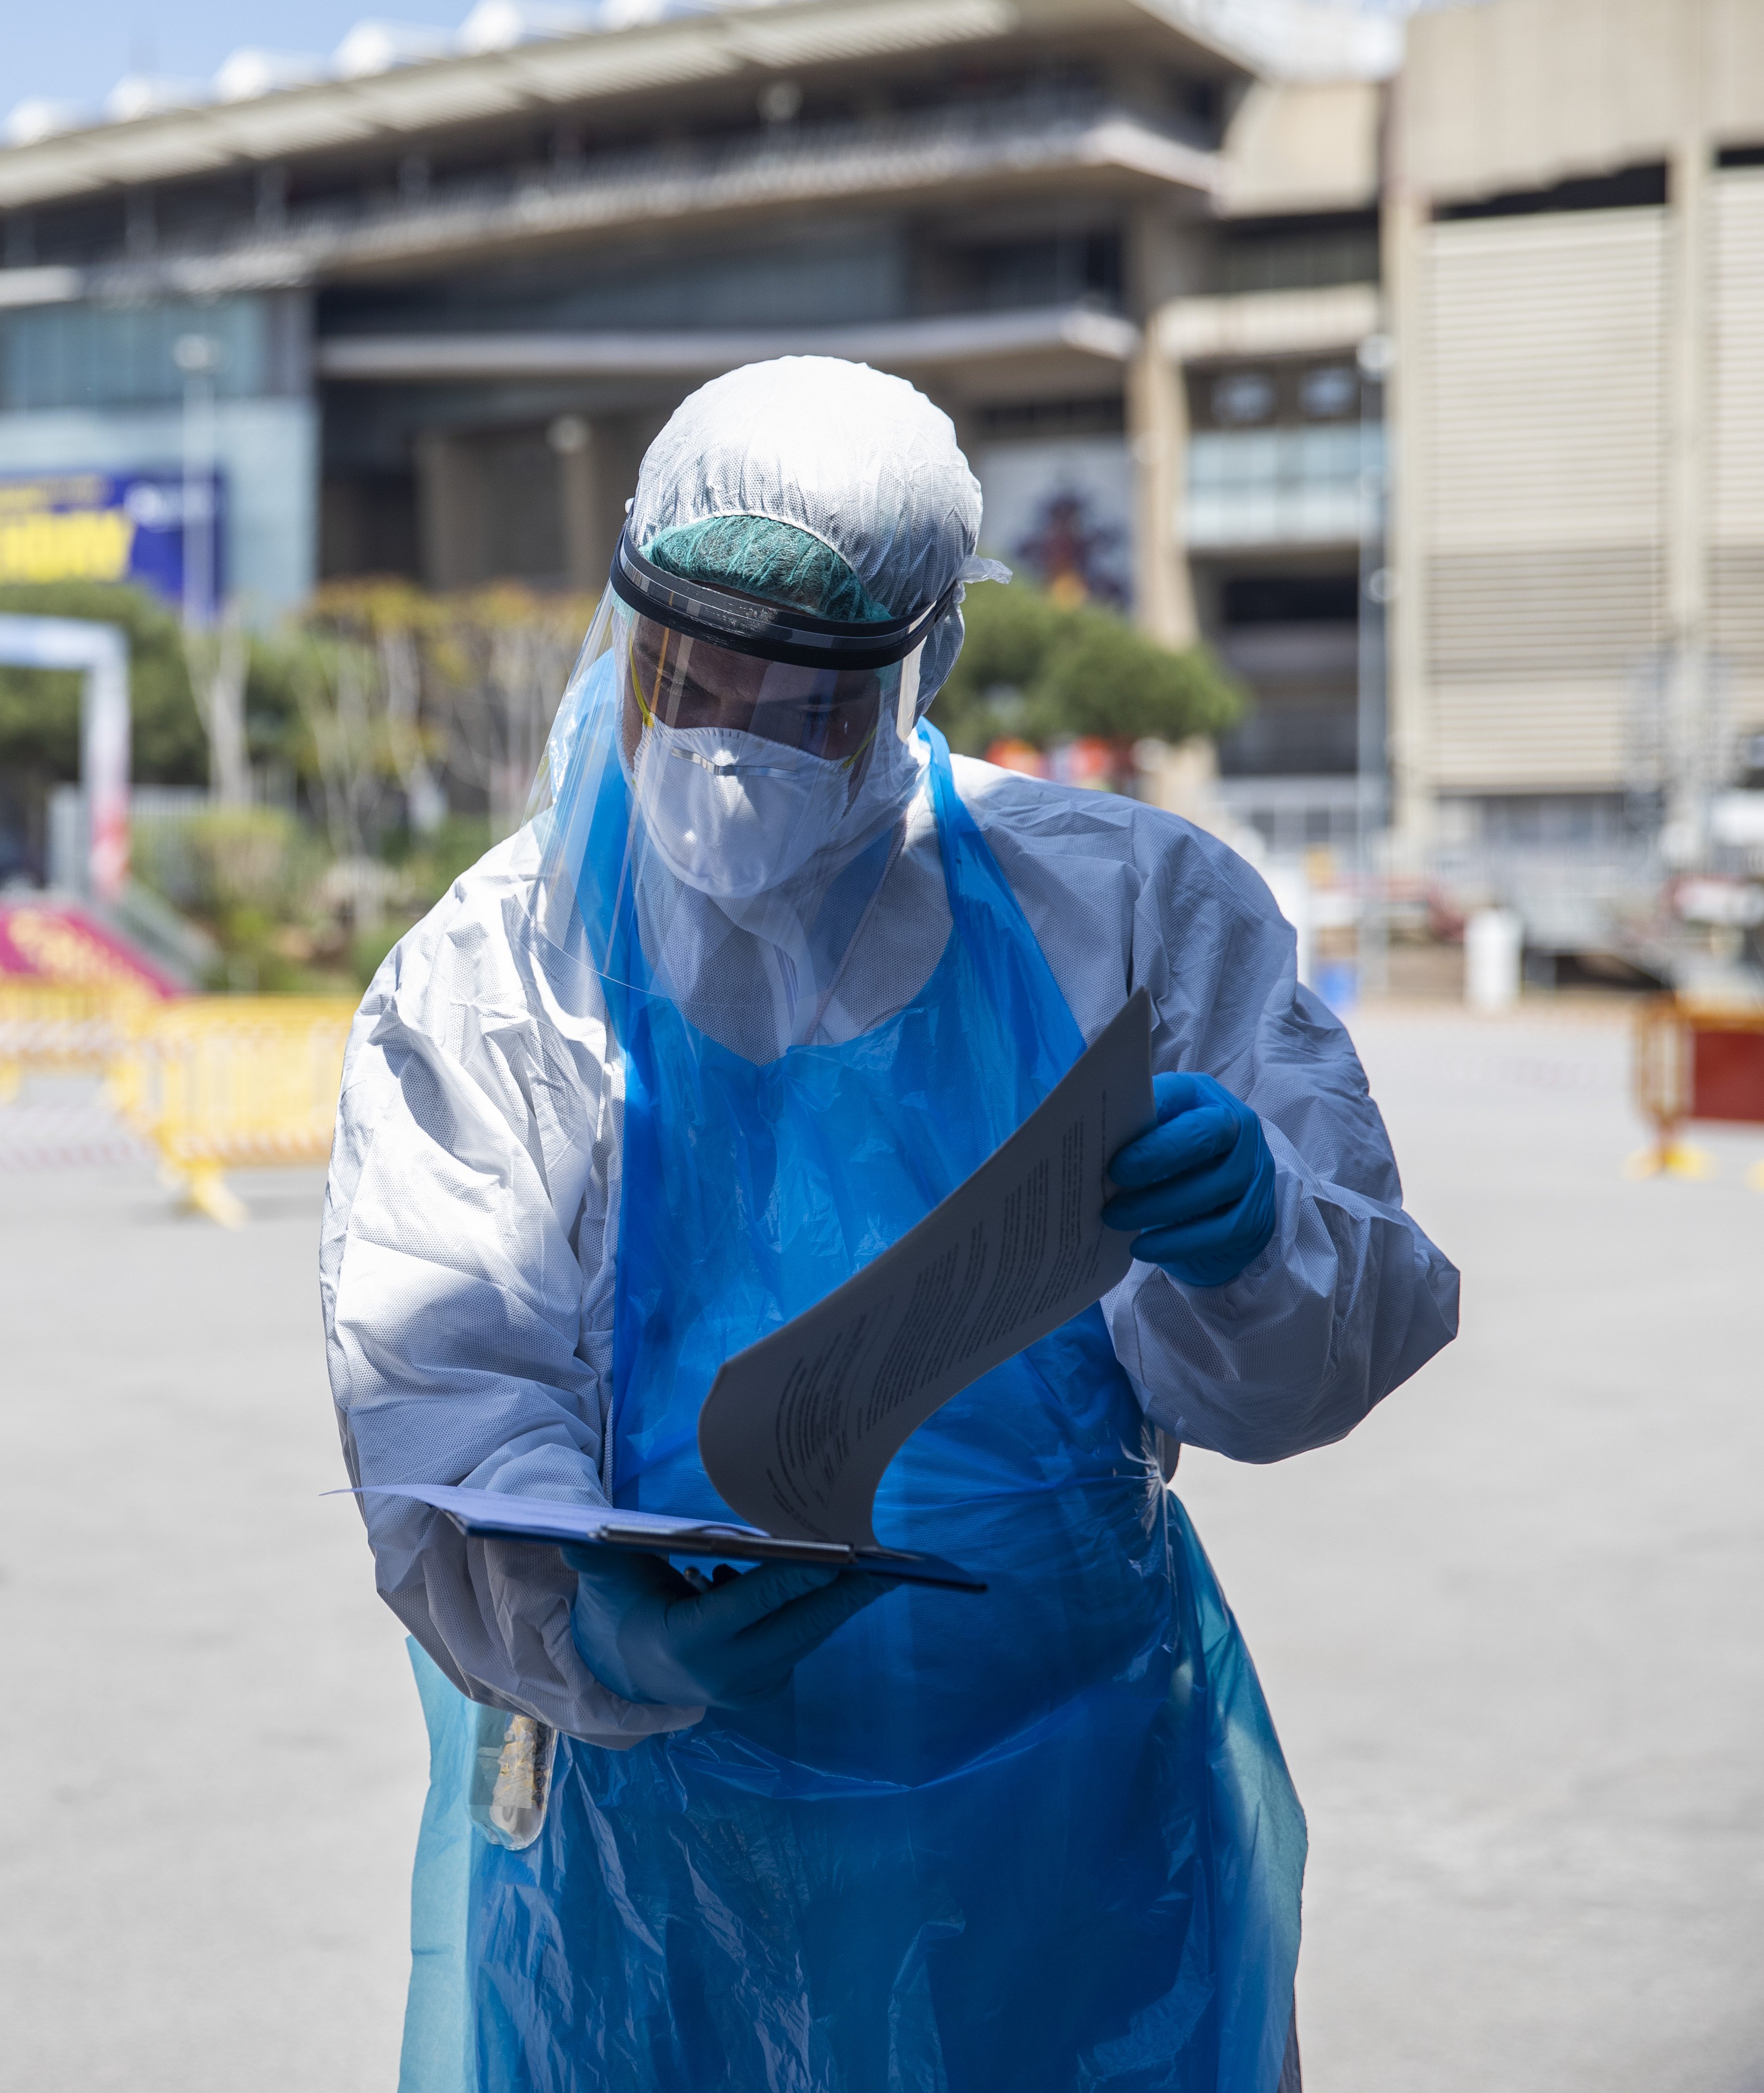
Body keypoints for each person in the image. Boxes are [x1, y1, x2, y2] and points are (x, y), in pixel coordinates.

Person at [321, 357, 1459, 2093]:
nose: (727, 747)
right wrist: (594, 1624)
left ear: (921, 660)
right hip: (669, 1853)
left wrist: (1254, 1241)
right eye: (686, 682)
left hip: (1066, 1837)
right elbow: (441, 1380)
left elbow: (1298, 1382)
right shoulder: (500, 973)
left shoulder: (1130, 913)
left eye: (801, 708)